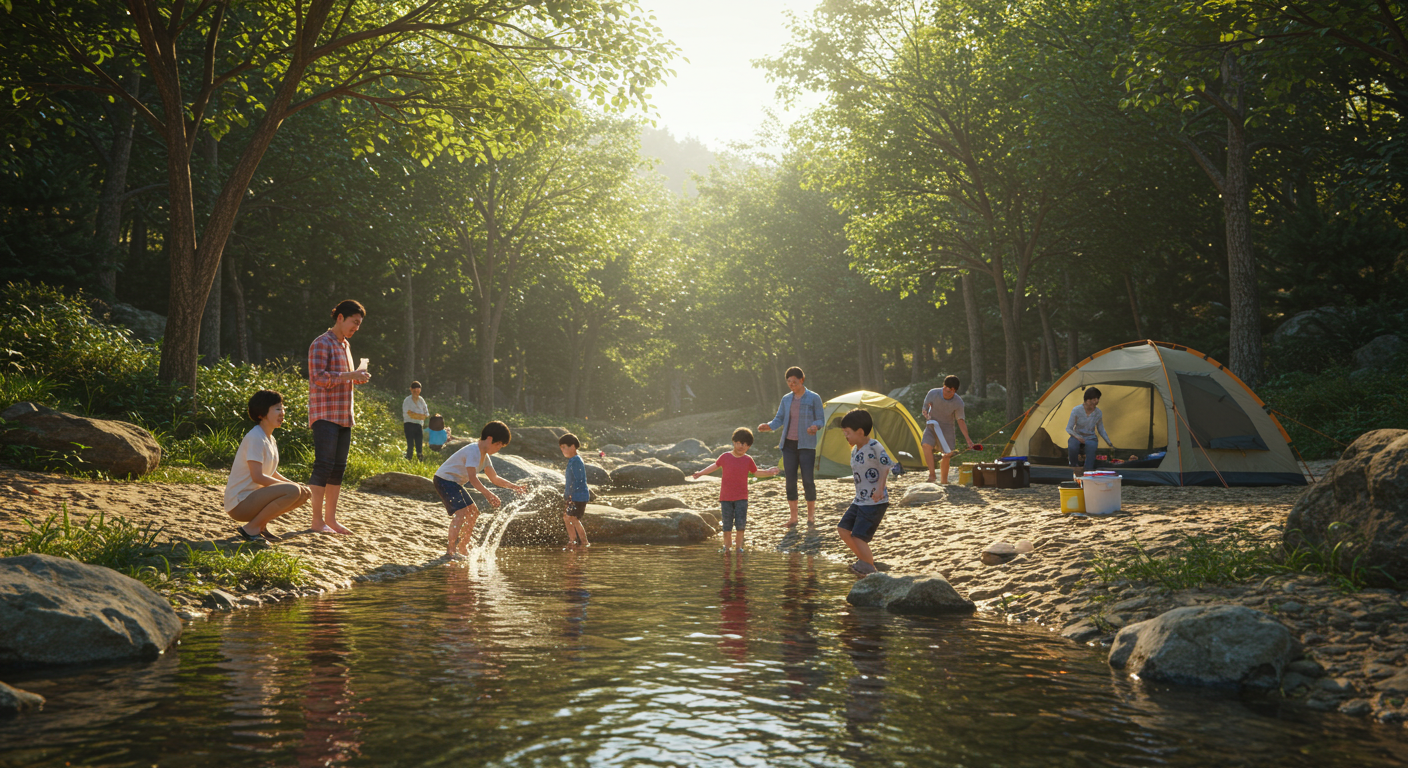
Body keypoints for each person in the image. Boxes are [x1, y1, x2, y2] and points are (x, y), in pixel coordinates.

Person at [307, 300, 370, 535]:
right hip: (325, 413)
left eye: (359, 324)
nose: (357, 328)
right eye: (354, 322)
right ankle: (316, 521)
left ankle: (331, 520)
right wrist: (349, 375)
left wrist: (356, 377)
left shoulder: (346, 345)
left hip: (344, 415)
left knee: (338, 468)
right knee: (323, 465)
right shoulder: (321, 343)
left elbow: (342, 377)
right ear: (340, 317)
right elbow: (318, 378)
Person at [224, 390, 310, 543]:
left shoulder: (270, 439)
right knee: (293, 490)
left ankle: (261, 525)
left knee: (303, 493)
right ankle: (251, 528)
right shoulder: (255, 437)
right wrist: (291, 488)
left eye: (282, 408)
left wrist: (295, 485)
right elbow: (257, 476)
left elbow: (272, 472)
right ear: (261, 414)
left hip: (253, 499)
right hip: (240, 502)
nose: (282, 413)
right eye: (277, 409)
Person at [433, 420, 526, 559]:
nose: (499, 448)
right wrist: (488, 494)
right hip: (444, 480)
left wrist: (514, 487)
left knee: (473, 512)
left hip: (455, 483)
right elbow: (473, 478)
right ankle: (451, 550)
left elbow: (494, 478)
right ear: (489, 439)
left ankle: (463, 548)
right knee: (461, 512)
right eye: (498, 444)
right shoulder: (473, 451)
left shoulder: (485, 457)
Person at [757, 366, 825, 528]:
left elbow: (821, 419)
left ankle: (811, 517)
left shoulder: (814, 398)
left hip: (806, 445)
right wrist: (769, 426)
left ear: (802, 380)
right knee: (790, 481)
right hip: (788, 445)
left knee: (808, 480)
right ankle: (793, 518)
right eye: (789, 382)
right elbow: (779, 418)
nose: (791, 385)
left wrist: (815, 426)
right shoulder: (786, 399)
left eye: (794, 382)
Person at [693, 427, 780, 551]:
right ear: (734, 442)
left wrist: (769, 472)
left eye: (745, 444)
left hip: (741, 497)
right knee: (727, 524)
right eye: (739, 443)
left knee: (740, 524)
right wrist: (701, 473)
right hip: (726, 497)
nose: (741, 446)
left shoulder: (748, 460)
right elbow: (714, 466)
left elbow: (756, 472)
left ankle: (739, 547)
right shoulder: (725, 457)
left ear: (749, 446)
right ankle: (727, 546)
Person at [837, 408, 891, 576]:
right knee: (843, 530)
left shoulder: (875, 446)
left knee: (859, 537)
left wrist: (880, 488)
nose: (845, 436)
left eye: (848, 433)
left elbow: (886, 466)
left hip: (875, 501)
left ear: (860, 432)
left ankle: (868, 568)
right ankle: (865, 561)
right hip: (859, 500)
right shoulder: (855, 449)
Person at [922, 375, 976, 484]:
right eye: (947, 391)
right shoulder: (933, 393)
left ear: (955, 391)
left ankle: (944, 480)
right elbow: (925, 408)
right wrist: (925, 413)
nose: (949, 394)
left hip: (947, 428)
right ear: (944, 387)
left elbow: (960, 421)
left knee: (947, 454)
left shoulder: (958, 402)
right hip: (932, 425)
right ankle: (932, 475)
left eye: (952, 392)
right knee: (926, 445)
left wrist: (968, 439)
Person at [1066, 387, 1114, 477]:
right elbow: (1068, 428)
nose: (1095, 402)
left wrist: (1109, 442)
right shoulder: (1076, 410)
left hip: (1090, 437)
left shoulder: (1098, 413)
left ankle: (1088, 472)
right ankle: (1074, 467)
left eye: (1097, 399)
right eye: (1093, 399)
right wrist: (1078, 437)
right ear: (1087, 400)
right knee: (1072, 445)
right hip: (1077, 435)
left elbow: (1101, 429)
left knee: (1091, 447)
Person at [559, 433, 591, 547]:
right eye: (561, 448)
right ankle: (572, 541)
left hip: (579, 495)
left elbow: (579, 479)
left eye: (564, 447)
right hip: (572, 495)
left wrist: (571, 495)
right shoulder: (572, 460)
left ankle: (584, 542)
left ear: (572, 446)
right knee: (567, 517)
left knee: (573, 518)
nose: (562, 450)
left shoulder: (576, 461)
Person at [402, 381, 429, 460]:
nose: (416, 393)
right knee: (410, 443)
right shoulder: (407, 400)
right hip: (408, 424)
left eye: (418, 391)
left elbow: (426, 414)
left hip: (419, 425)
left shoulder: (421, 400)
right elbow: (410, 414)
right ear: (411, 390)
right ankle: (408, 458)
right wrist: (420, 416)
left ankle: (420, 458)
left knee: (419, 443)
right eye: (414, 391)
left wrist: (416, 415)